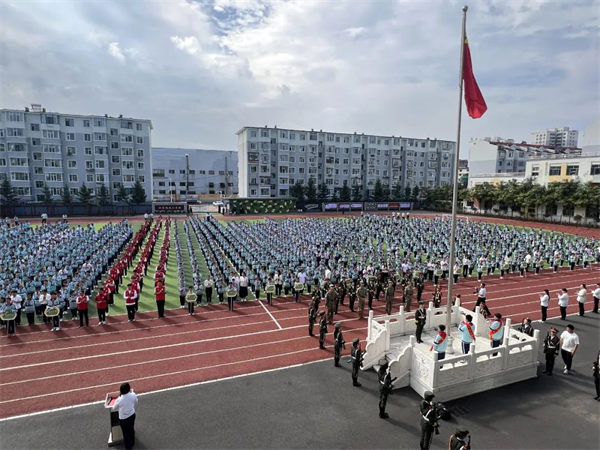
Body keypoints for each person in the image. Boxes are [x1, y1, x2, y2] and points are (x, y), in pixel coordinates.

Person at [112, 382, 138, 450]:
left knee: (126, 434)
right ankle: (132, 442)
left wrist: (118, 398)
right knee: (131, 429)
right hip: (132, 415)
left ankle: (128, 448)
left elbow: (114, 408)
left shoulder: (119, 399)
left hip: (123, 419)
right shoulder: (133, 395)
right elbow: (136, 401)